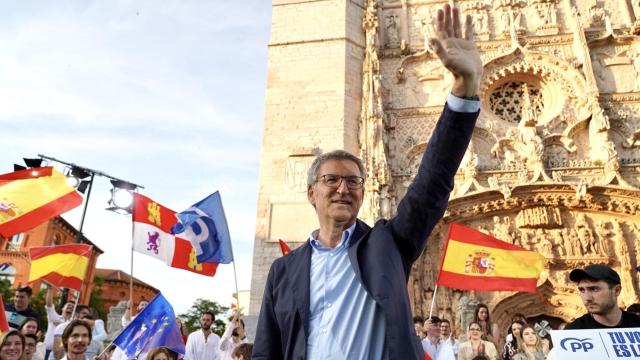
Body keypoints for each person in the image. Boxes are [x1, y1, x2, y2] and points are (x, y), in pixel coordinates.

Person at [252, 4, 483, 358]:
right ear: (311, 192)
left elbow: (432, 182)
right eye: (332, 180)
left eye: (354, 182)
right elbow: (267, 350)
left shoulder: (387, 245)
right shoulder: (284, 270)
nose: (344, 188)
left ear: (363, 193)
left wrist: (464, 89)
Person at [565, 264, 640, 329]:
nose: (587, 298)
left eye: (594, 289)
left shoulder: (637, 324)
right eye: (582, 290)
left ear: (617, 290)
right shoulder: (574, 331)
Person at [44, 288, 73, 360]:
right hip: (46, 351)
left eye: (73, 307)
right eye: (68, 305)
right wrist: (51, 288)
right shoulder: (54, 317)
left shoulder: (73, 324)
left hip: (61, 355)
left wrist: (62, 324)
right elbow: (49, 304)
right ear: (62, 308)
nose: (70, 307)